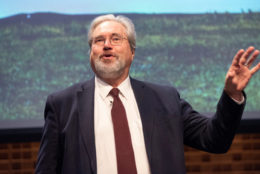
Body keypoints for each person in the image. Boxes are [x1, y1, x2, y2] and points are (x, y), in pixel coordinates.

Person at [35, 14, 260, 174]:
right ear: (90, 53)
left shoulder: (165, 99)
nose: (106, 45)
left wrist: (231, 95)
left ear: (132, 52)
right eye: (98, 40)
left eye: (116, 38)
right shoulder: (62, 105)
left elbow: (215, 140)